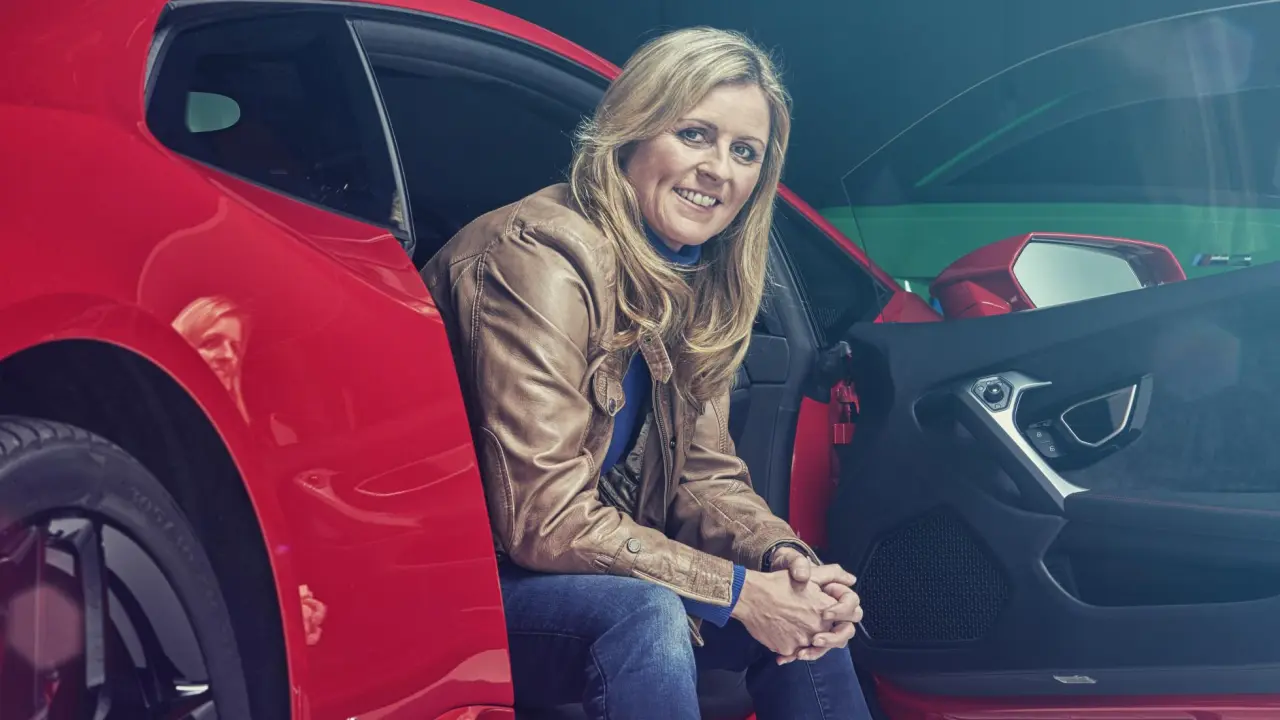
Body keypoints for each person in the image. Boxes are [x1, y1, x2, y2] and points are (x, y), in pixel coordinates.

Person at [423, 26, 872, 720]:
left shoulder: (683, 277)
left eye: (744, 152)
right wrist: (737, 592)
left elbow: (704, 478)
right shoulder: (539, 258)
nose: (718, 169)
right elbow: (543, 518)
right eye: (694, 135)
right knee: (647, 610)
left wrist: (785, 564)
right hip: (457, 585)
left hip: (566, 576)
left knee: (805, 621)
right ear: (631, 131)